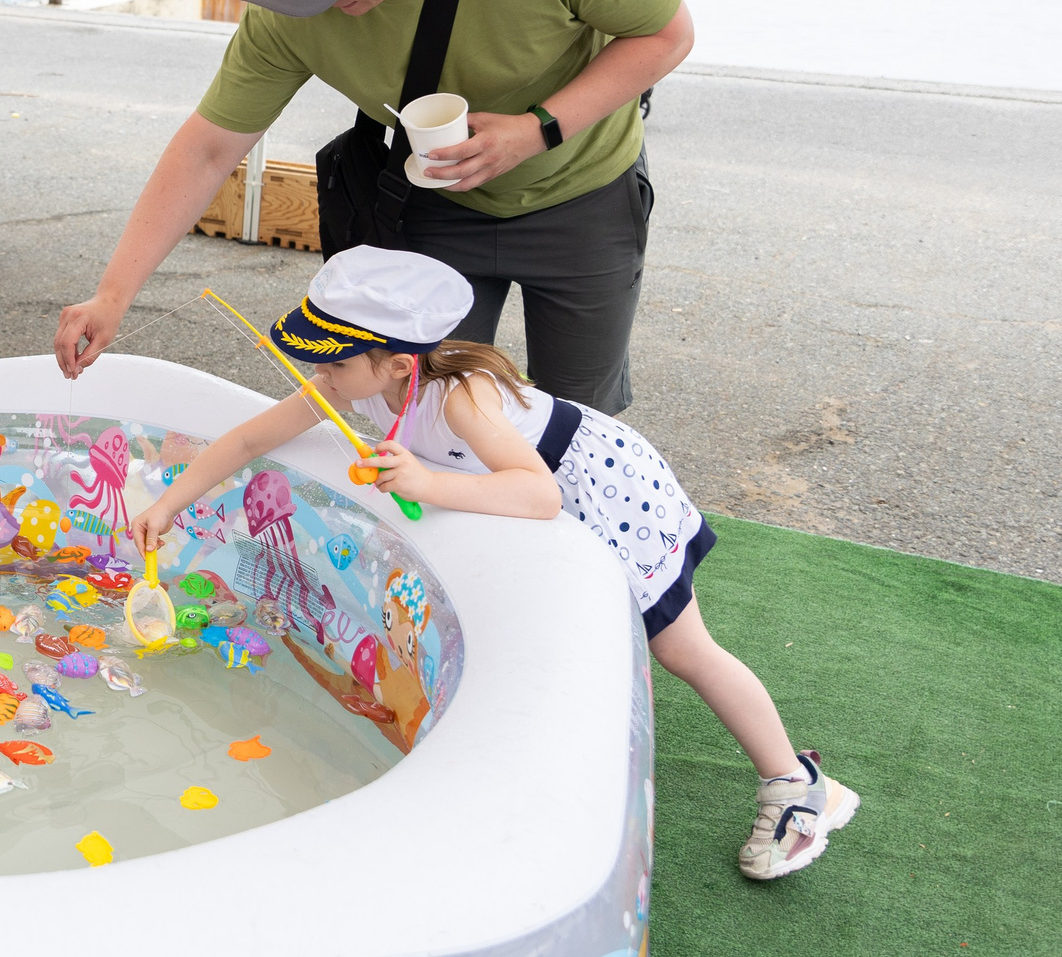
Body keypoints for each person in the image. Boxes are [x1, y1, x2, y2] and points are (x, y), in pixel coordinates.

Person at [130, 246, 859, 880]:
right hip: (535, 505)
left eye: (334, 356)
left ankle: (797, 784)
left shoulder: (458, 398)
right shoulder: (355, 384)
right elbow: (248, 441)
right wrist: (171, 501)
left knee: (683, 648)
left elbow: (540, 494)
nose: (316, 369)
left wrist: (424, 482)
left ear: (395, 362)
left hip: (600, 491)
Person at [56, 0, 693, 415]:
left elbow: (667, 33)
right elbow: (209, 148)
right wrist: (112, 296)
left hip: (583, 193)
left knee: (579, 417)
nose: (323, 2)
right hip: (438, 203)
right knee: (430, 409)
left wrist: (537, 130)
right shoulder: (296, 7)